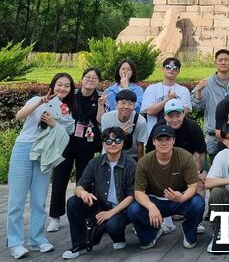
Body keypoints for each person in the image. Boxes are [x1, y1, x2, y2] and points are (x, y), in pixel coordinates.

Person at [7, 73, 75, 259]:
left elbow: (66, 133)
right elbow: (18, 116)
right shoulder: (38, 99)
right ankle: (15, 242)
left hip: (45, 153)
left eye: (67, 86)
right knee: (16, 200)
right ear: (53, 86)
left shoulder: (65, 110)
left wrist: (54, 123)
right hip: (23, 149)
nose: (62, 88)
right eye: (59, 84)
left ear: (70, 89)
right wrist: (39, 103)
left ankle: (37, 239)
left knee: (39, 199)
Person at [61, 127, 137, 259]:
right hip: (100, 205)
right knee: (73, 202)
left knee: (113, 225)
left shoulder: (131, 164)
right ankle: (80, 245)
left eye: (117, 140)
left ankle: (118, 237)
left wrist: (110, 214)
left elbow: (132, 195)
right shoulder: (95, 162)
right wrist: (83, 193)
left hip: (121, 209)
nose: (113, 144)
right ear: (103, 143)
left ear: (123, 143)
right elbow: (79, 186)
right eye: (108, 141)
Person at [127, 125, 205, 250]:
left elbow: (193, 186)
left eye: (167, 139)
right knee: (133, 210)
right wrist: (151, 207)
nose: (164, 143)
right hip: (155, 199)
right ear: (153, 142)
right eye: (160, 140)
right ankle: (152, 232)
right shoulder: (144, 162)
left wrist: (182, 197)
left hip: (180, 198)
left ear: (173, 140)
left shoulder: (185, 157)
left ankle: (189, 231)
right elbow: (139, 192)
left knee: (198, 203)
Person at [48, 67, 106, 233]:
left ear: (98, 81)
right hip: (66, 142)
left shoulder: (100, 98)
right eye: (88, 77)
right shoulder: (72, 95)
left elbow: (100, 121)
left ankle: (85, 214)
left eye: (95, 78)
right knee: (60, 178)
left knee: (84, 181)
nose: (91, 80)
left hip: (86, 144)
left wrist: (101, 106)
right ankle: (55, 216)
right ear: (82, 78)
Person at [145, 99, 207, 235]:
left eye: (177, 115)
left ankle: (194, 221)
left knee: (200, 182)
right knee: (162, 182)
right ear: (165, 116)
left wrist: (197, 172)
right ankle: (166, 222)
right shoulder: (158, 128)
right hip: (163, 160)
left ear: (184, 114)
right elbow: (150, 153)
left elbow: (200, 153)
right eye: (170, 116)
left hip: (188, 160)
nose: (174, 119)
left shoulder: (193, 127)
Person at [191, 49, 229, 160]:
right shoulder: (206, 83)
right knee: (215, 170)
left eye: (226, 60)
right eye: (220, 60)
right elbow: (195, 106)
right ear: (215, 62)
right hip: (213, 136)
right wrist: (198, 91)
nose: (223, 62)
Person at [141, 57, 192, 137]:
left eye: (175, 68)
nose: (171, 70)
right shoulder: (152, 88)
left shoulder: (184, 90)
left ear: (178, 71)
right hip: (154, 133)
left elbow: (184, 112)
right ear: (163, 69)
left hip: (178, 134)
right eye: (168, 67)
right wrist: (167, 100)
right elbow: (149, 111)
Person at [100, 89, 147, 161]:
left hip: (131, 156)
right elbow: (105, 140)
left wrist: (140, 165)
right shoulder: (106, 118)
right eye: (123, 103)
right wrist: (119, 133)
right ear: (116, 104)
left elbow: (140, 144)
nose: (126, 106)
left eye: (130, 104)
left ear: (134, 106)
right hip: (110, 154)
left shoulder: (140, 121)